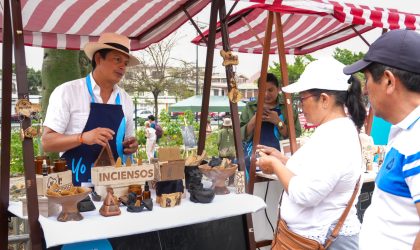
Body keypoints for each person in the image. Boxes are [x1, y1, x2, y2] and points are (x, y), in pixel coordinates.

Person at [257, 57, 366, 249]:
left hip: (321, 241)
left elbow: (306, 193)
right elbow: (313, 173)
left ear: (324, 99)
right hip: (312, 237)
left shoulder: (336, 137)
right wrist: (281, 159)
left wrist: (274, 165)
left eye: (302, 99)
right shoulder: (333, 130)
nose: (301, 106)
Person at [343, 29, 420, 250]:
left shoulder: (416, 139)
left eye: (367, 79)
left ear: (388, 81)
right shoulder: (406, 132)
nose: (365, 90)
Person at [42, 33, 139, 186]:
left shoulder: (126, 99)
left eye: (126, 63)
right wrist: (82, 138)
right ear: (98, 58)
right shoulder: (67, 92)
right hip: (75, 189)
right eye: (117, 59)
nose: (122, 66)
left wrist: (131, 145)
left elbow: (128, 139)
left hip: (114, 186)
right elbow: (47, 142)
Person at [240, 73, 302, 170]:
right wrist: (253, 122)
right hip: (254, 155)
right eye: (263, 90)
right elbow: (239, 136)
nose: (266, 94)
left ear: (278, 89)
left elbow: (296, 135)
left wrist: (278, 122)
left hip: (280, 156)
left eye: (270, 90)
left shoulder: (288, 108)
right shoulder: (250, 107)